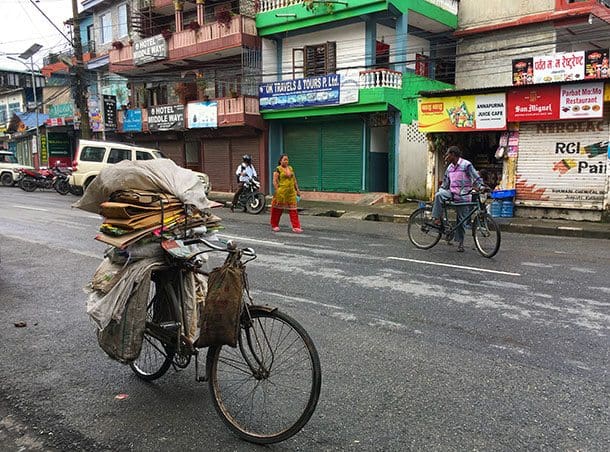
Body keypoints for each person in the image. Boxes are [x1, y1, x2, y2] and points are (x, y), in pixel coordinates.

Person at [431, 146, 484, 253]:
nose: (446, 157)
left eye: (447, 154)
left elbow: (476, 177)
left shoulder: (466, 165)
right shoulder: (450, 168)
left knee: (461, 221)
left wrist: (480, 186)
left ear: (453, 155)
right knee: (439, 195)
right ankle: (436, 218)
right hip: (452, 193)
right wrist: (441, 191)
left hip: (464, 195)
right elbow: (445, 184)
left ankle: (460, 243)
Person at [270, 154, 302, 233]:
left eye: (287, 160)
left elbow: (294, 180)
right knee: (277, 209)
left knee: (293, 209)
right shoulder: (278, 169)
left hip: (291, 192)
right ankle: (274, 225)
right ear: (280, 161)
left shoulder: (290, 168)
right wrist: (277, 191)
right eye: (284, 160)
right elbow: (274, 181)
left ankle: (296, 227)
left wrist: (297, 190)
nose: (286, 161)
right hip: (281, 192)